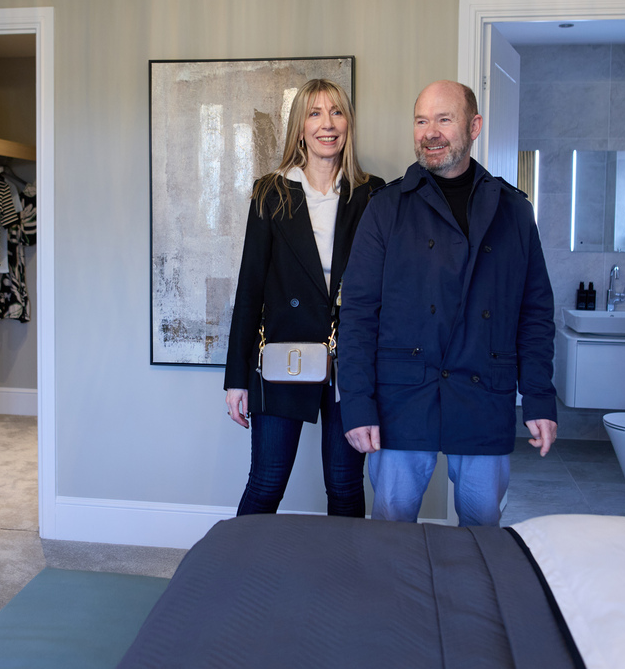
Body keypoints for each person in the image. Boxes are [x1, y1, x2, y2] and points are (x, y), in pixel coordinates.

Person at [336, 80, 558, 527]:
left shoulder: (513, 210)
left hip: (484, 394)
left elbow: (535, 312)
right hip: (402, 396)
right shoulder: (386, 207)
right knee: (391, 533)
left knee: (482, 536)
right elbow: (357, 313)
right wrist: (356, 402)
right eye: (421, 121)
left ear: (473, 126)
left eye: (443, 119)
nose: (430, 132)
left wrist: (538, 396)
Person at [224, 78, 386, 517]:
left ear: (348, 123)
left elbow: (385, 289)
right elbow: (250, 287)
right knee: (267, 483)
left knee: (345, 486)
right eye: (315, 113)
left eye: (336, 112)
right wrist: (236, 378)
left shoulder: (373, 193)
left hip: (350, 360)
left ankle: (343, 583)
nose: (327, 124)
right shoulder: (271, 192)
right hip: (284, 357)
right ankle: (240, 582)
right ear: (300, 127)